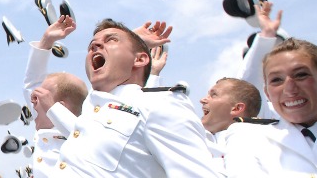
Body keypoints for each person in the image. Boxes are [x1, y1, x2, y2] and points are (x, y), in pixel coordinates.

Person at [55, 18, 221, 177]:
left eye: (111, 40)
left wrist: (132, 43)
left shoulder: (158, 105)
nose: (95, 46)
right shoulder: (92, 109)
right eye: (91, 46)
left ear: (140, 59)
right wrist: (131, 40)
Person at [221, 36, 317, 176]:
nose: (290, 89)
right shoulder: (247, 137)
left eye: (301, 75)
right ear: (267, 93)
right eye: (276, 80)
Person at [24, 15, 88, 178]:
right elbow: (32, 83)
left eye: (41, 97)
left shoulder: (82, 138)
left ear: (61, 107)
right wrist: (46, 41)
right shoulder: (48, 130)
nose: (32, 101)